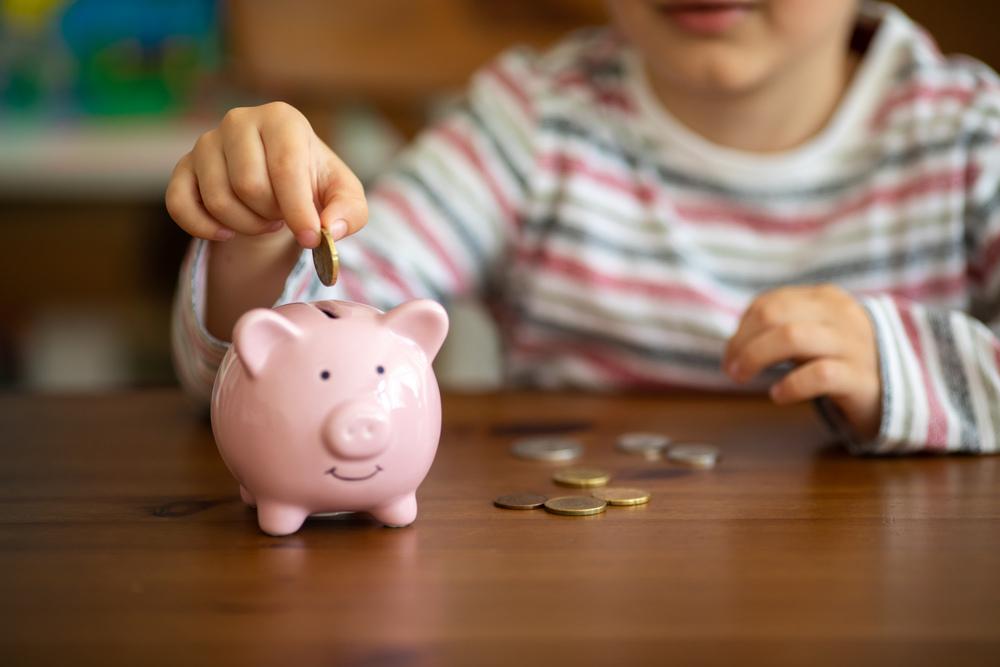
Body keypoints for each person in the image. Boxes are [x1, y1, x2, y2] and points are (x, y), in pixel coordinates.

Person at [166, 0, 1000, 455]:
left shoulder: (970, 134)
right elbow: (276, 371)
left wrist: (904, 365)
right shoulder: (532, 120)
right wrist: (264, 236)